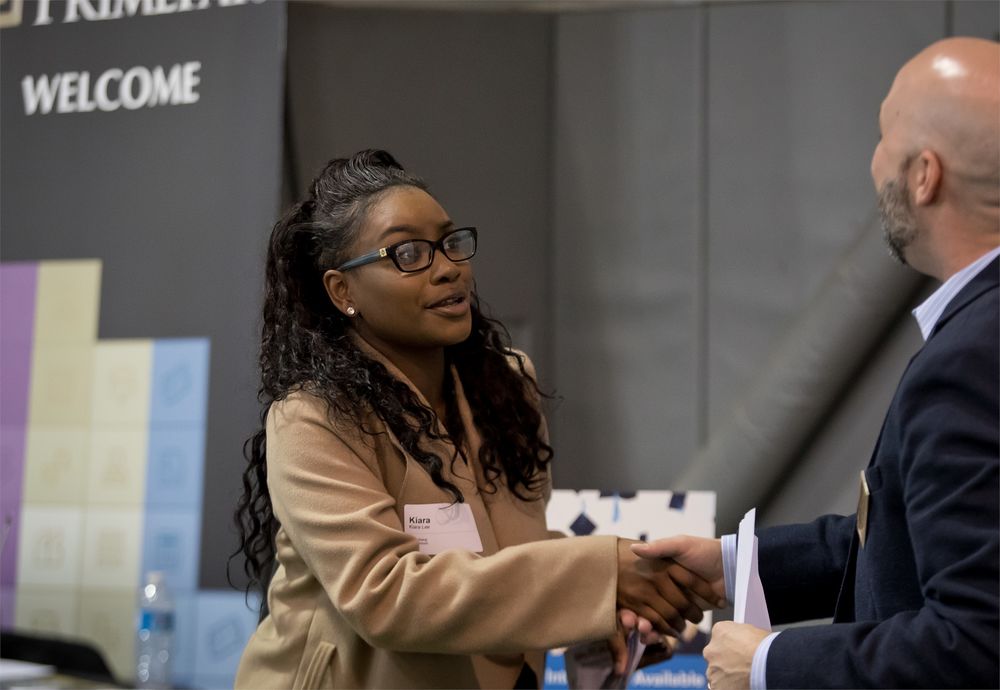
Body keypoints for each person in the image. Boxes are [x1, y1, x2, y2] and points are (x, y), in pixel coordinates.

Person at [230, 149, 718, 689]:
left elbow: (511, 553)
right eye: (407, 253)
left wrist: (596, 611)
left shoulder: (506, 386)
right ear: (342, 291)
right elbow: (387, 595)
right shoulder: (312, 417)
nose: (446, 268)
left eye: (449, 243)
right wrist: (602, 577)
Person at [631, 36, 999, 689]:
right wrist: (733, 566)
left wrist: (771, 663)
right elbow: (905, 530)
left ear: (924, 175)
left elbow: (978, 641)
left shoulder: (970, 359)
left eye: (883, 135)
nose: (872, 161)